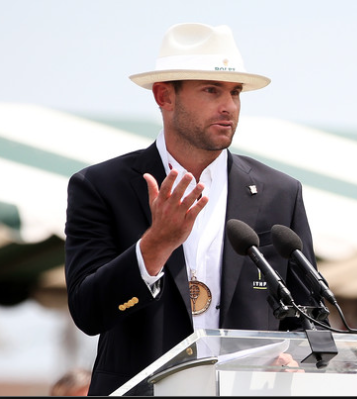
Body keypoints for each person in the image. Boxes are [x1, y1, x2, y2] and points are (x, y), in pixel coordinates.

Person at [64, 22, 324, 396]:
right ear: (163, 96)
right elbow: (88, 312)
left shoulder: (280, 193)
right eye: (211, 90)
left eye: (235, 92)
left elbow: (311, 314)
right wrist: (154, 246)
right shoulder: (101, 187)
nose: (228, 106)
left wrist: (295, 355)